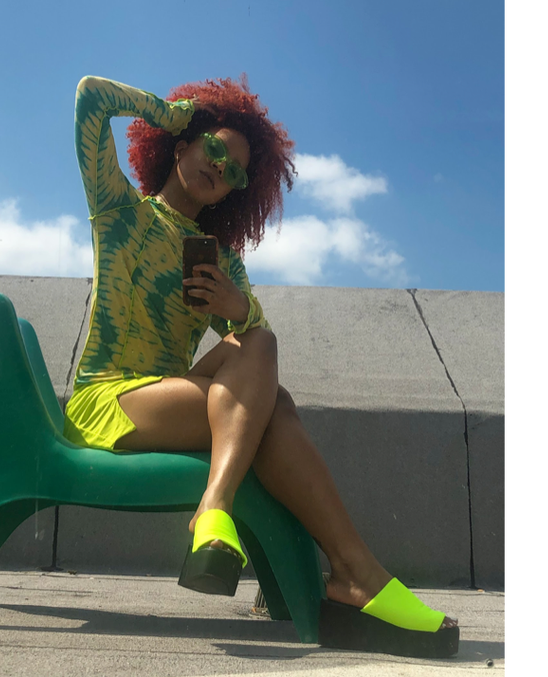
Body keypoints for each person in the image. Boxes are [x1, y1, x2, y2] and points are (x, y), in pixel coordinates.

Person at [62, 75, 459, 657]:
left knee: (259, 343)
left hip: (171, 393)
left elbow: (255, 344)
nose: (220, 169)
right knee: (272, 410)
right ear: (181, 147)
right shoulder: (118, 209)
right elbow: (91, 98)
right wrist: (175, 114)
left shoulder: (222, 260)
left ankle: (256, 530)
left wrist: (234, 306)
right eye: (213, 149)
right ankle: (348, 573)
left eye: (236, 172)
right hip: (108, 397)